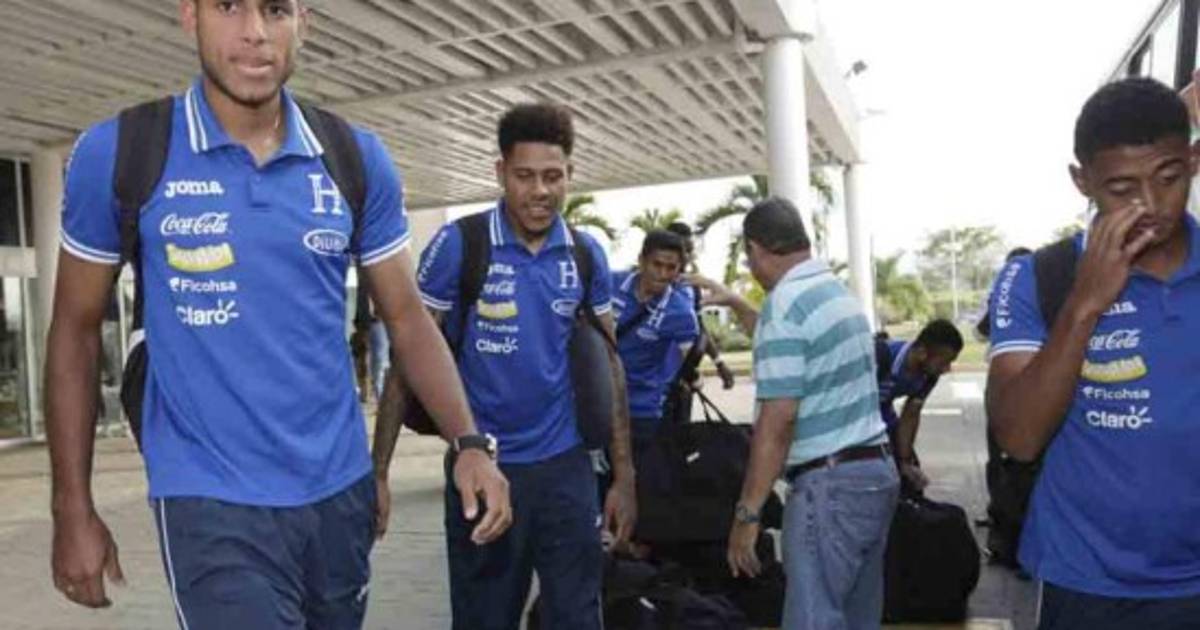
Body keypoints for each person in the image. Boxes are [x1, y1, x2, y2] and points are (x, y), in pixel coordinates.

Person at [45, 2, 510, 628]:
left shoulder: (354, 157)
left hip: (338, 491)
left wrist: (469, 442)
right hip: (208, 497)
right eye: (228, 6)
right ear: (190, 15)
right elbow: (74, 332)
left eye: (275, 10)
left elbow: (406, 319)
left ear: (303, 22)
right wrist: (71, 507)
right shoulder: (121, 151)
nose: (255, 33)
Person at [374, 103, 636, 630]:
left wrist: (624, 473)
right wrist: (378, 471)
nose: (540, 191)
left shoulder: (585, 255)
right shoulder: (460, 245)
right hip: (482, 469)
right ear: (500, 173)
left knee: (579, 618)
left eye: (553, 176)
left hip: (566, 473)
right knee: (484, 619)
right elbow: (408, 363)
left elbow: (610, 367)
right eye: (524, 176)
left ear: (570, 174)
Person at [987, 76, 1200, 627]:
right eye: (1122, 188)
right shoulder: (1038, 277)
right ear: (1082, 182)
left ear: (1194, 161)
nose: (1150, 205)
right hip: (1085, 583)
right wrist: (1084, 304)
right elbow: (1019, 437)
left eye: (1169, 178)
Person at [695, 197, 899, 630]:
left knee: (812, 620)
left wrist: (747, 514)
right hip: (874, 475)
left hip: (829, 489)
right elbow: (791, 344)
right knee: (858, 619)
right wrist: (737, 303)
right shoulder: (832, 291)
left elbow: (779, 420)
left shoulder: (784, 305)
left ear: (755, 249)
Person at [611, 229, 700, 454]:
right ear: (641, 260)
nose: (662, 274)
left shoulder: (681, 311)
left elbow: (689, 359)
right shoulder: (609, 283)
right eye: (656, 264)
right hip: (599, 402)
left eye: (671, 268)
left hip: (642, 410)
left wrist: (691, 378)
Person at [876, 318, 963, 492]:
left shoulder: (929, 375)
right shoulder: (883, 357)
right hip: (858, 417)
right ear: (922, 352)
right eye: (944, 362)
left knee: (910, 477)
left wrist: (905, 461)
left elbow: (911, 414)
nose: (947, 369)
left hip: (884, 413)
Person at [665, 221, 736, 392]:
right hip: (652, 382)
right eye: (683, 250)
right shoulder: (649, 284)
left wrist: (719, 363)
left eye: (690, 251)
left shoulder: (691, 286)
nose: (687, 256)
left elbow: (700, 328)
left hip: (682, 381)